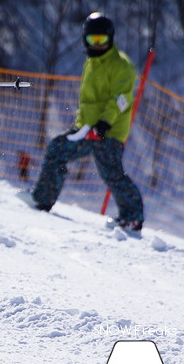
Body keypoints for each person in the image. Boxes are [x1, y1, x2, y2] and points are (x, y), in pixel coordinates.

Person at [17, 12, 144, 234]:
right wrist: (82, 124)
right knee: (58, 148)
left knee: (111, 173)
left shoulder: (120, 65)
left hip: (109, 131)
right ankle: (42, 199)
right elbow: (89, 100)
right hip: (86, 128)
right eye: (91, 41)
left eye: (101, 41)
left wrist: (105, 122)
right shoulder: (91, 62)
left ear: (110, 39)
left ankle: (132, 217)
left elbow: (121, 98)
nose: (96, 46)